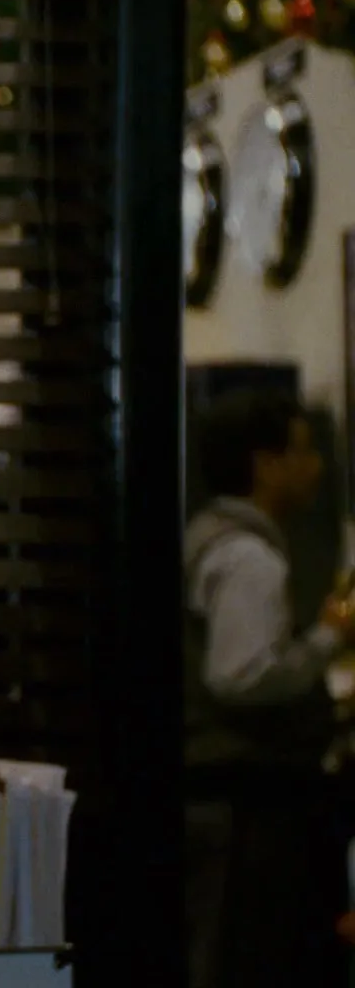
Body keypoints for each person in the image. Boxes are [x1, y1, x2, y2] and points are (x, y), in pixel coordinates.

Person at [183, 386, 351, 988]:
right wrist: (329, 638)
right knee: (243, 957)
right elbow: (240, 675)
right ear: (265, 463)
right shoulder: (249, 557)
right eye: (302, 452)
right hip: (241, 796)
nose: (316, 467)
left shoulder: (211, 533)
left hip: (223, 794)